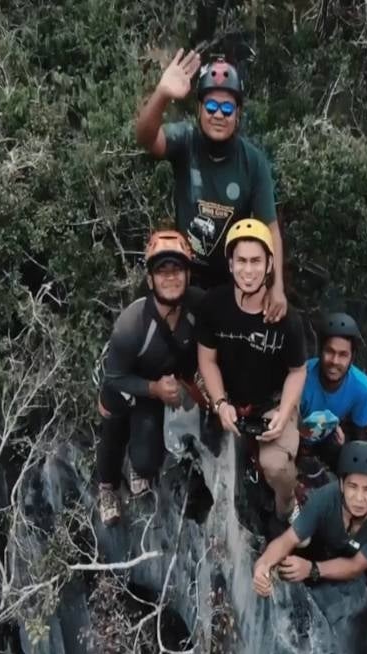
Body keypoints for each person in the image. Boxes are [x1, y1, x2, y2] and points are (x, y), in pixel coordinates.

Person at [135, 49, 288, 321]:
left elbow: (271, 229)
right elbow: (146, 138)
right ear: (199, 109)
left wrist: (276, 287)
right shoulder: (186, 140)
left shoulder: (253, 162)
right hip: (183, 272)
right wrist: (162, 94)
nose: (219, 115)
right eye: (211, 107)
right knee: (146, 318)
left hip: (231, 280)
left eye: (227, 108)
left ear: (238, 114)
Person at [252, 441, 367, 654]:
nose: (359, 498)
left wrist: (312, 569)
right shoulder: (323, 499)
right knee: (299, 544)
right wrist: (262, 564)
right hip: (334, 542)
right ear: (341, 485)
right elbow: (287, 539)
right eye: (353, 486)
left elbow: (355, 568)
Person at [195, 219, 306, 519]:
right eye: (241, 261)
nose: (248, 270)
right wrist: (220, 403)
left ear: (270, 264)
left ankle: (287, 506)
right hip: (229, 400)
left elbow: (298, 371)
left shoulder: (286, 319)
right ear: (230, 264)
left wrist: (283, 413)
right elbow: (207, 360)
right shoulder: (213, 305)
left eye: (256, 261)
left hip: (271, 403)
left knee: (276, 466)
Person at [96, 230, 204, 525]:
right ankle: (107, 486)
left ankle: (137, 463)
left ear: (188, 275)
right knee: (113, 422)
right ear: (150, 280)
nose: (170, 278)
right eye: (162, 271)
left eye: (177, 270)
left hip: (162, 389)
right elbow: (114, 376)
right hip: (130, 385)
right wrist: (153, 388)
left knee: (146, 462)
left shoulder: (197, 307)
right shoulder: (133, 323)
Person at [299, 313, 367, 471]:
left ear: (352, 358)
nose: (334, 361)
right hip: (296, 436)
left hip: (328, 439)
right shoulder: (301, 376)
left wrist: (345, 444)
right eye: (329, 351)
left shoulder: (361, 387)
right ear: (320, 351)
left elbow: (360, 434)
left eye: (343, 355)